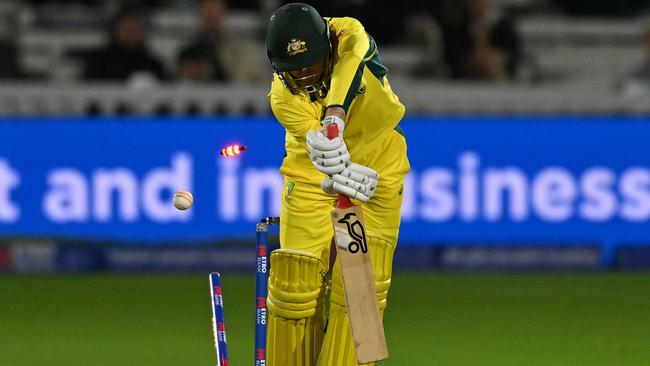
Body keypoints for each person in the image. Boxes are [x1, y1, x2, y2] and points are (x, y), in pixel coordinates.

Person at [264, 3, 409, 365]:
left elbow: (348, 68)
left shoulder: (349, 34)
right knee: (293, 288)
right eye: (297, 75)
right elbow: (323, 150)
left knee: (362, 291)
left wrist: (334, 119)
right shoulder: (283, 99)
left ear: (327, 47)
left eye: (313, 68)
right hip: (312, 175)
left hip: (379, 164)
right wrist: (325, 150)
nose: (308, 80)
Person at [435, 0, 521, 80]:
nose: (478, 4)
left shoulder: (505, 27)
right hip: (464, 80)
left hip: (497, 78)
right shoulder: (455, 29)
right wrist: (474, 62)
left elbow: (514, 53)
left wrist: (499, 58)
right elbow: (451, 56)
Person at [83, 7, 165, 81]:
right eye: (127, 29)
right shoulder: (98, 62)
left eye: (135, 29)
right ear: (115, 30)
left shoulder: (153, 65)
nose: (131, 33)